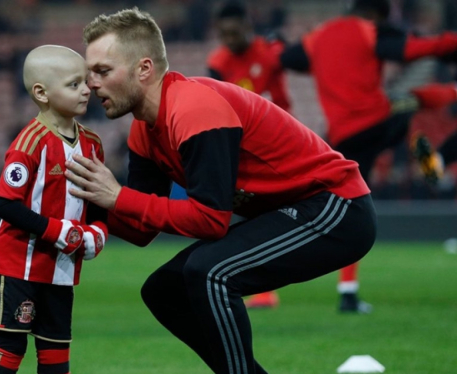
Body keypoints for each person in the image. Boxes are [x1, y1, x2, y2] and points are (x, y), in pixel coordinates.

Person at [66, 8, 376, 374]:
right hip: (291, 210)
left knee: (209, 271)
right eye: (89, 75)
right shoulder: (144, 130)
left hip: (337, 208)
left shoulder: (193, 109)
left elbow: (210, 220)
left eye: (102, 71)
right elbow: (140, 228)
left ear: (144, 69)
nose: (91, 85)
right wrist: (71, 204)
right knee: (164, 290)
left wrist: (117, 196)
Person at [207, 2, 369, 312]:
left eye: (234, 32)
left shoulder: (270, 50)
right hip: (245, 149)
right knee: (251, 213)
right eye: (223, 34)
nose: (229, 39)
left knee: (331, 199)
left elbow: (305, 61)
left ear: (247, 27)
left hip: (283, 145)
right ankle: (260, 288)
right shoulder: (217, 62)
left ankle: (345, 285)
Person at [0, 45, 108, 374]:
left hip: (61, 268)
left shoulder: (92, 143)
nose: (86, 90)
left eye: (85, 82)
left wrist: (98, 232)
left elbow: (98, 200)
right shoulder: (29, 143)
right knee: (11, 345)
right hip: (19, 266)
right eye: (74, 84)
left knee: (56, 349)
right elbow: (4, 204)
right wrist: (59, 231)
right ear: (42, 93)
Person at [279, 0, 457, 188]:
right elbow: (411, 50)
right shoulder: (368, 30)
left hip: (343, 137)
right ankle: (453, 92)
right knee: (410, 99)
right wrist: (449, 43)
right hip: (376, 123)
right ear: (374, 15)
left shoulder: (318, 36)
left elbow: (288, 58)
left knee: (356, 188)